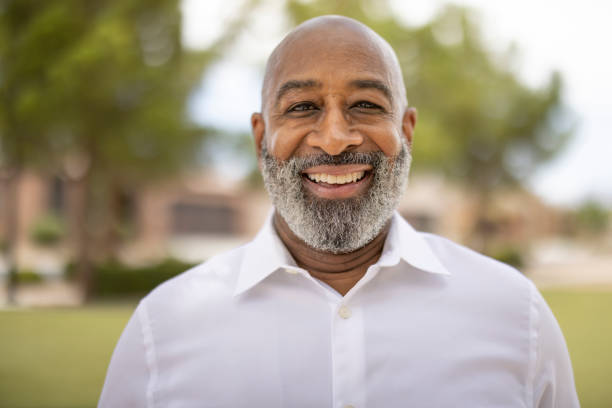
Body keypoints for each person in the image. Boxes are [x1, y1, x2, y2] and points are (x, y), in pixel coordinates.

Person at [99, 15, 579, 407]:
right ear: (261, 137)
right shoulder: (162, 330)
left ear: (406, 131)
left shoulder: (517, 317)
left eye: (366, 104)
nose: (334, 138)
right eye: (303, 107)